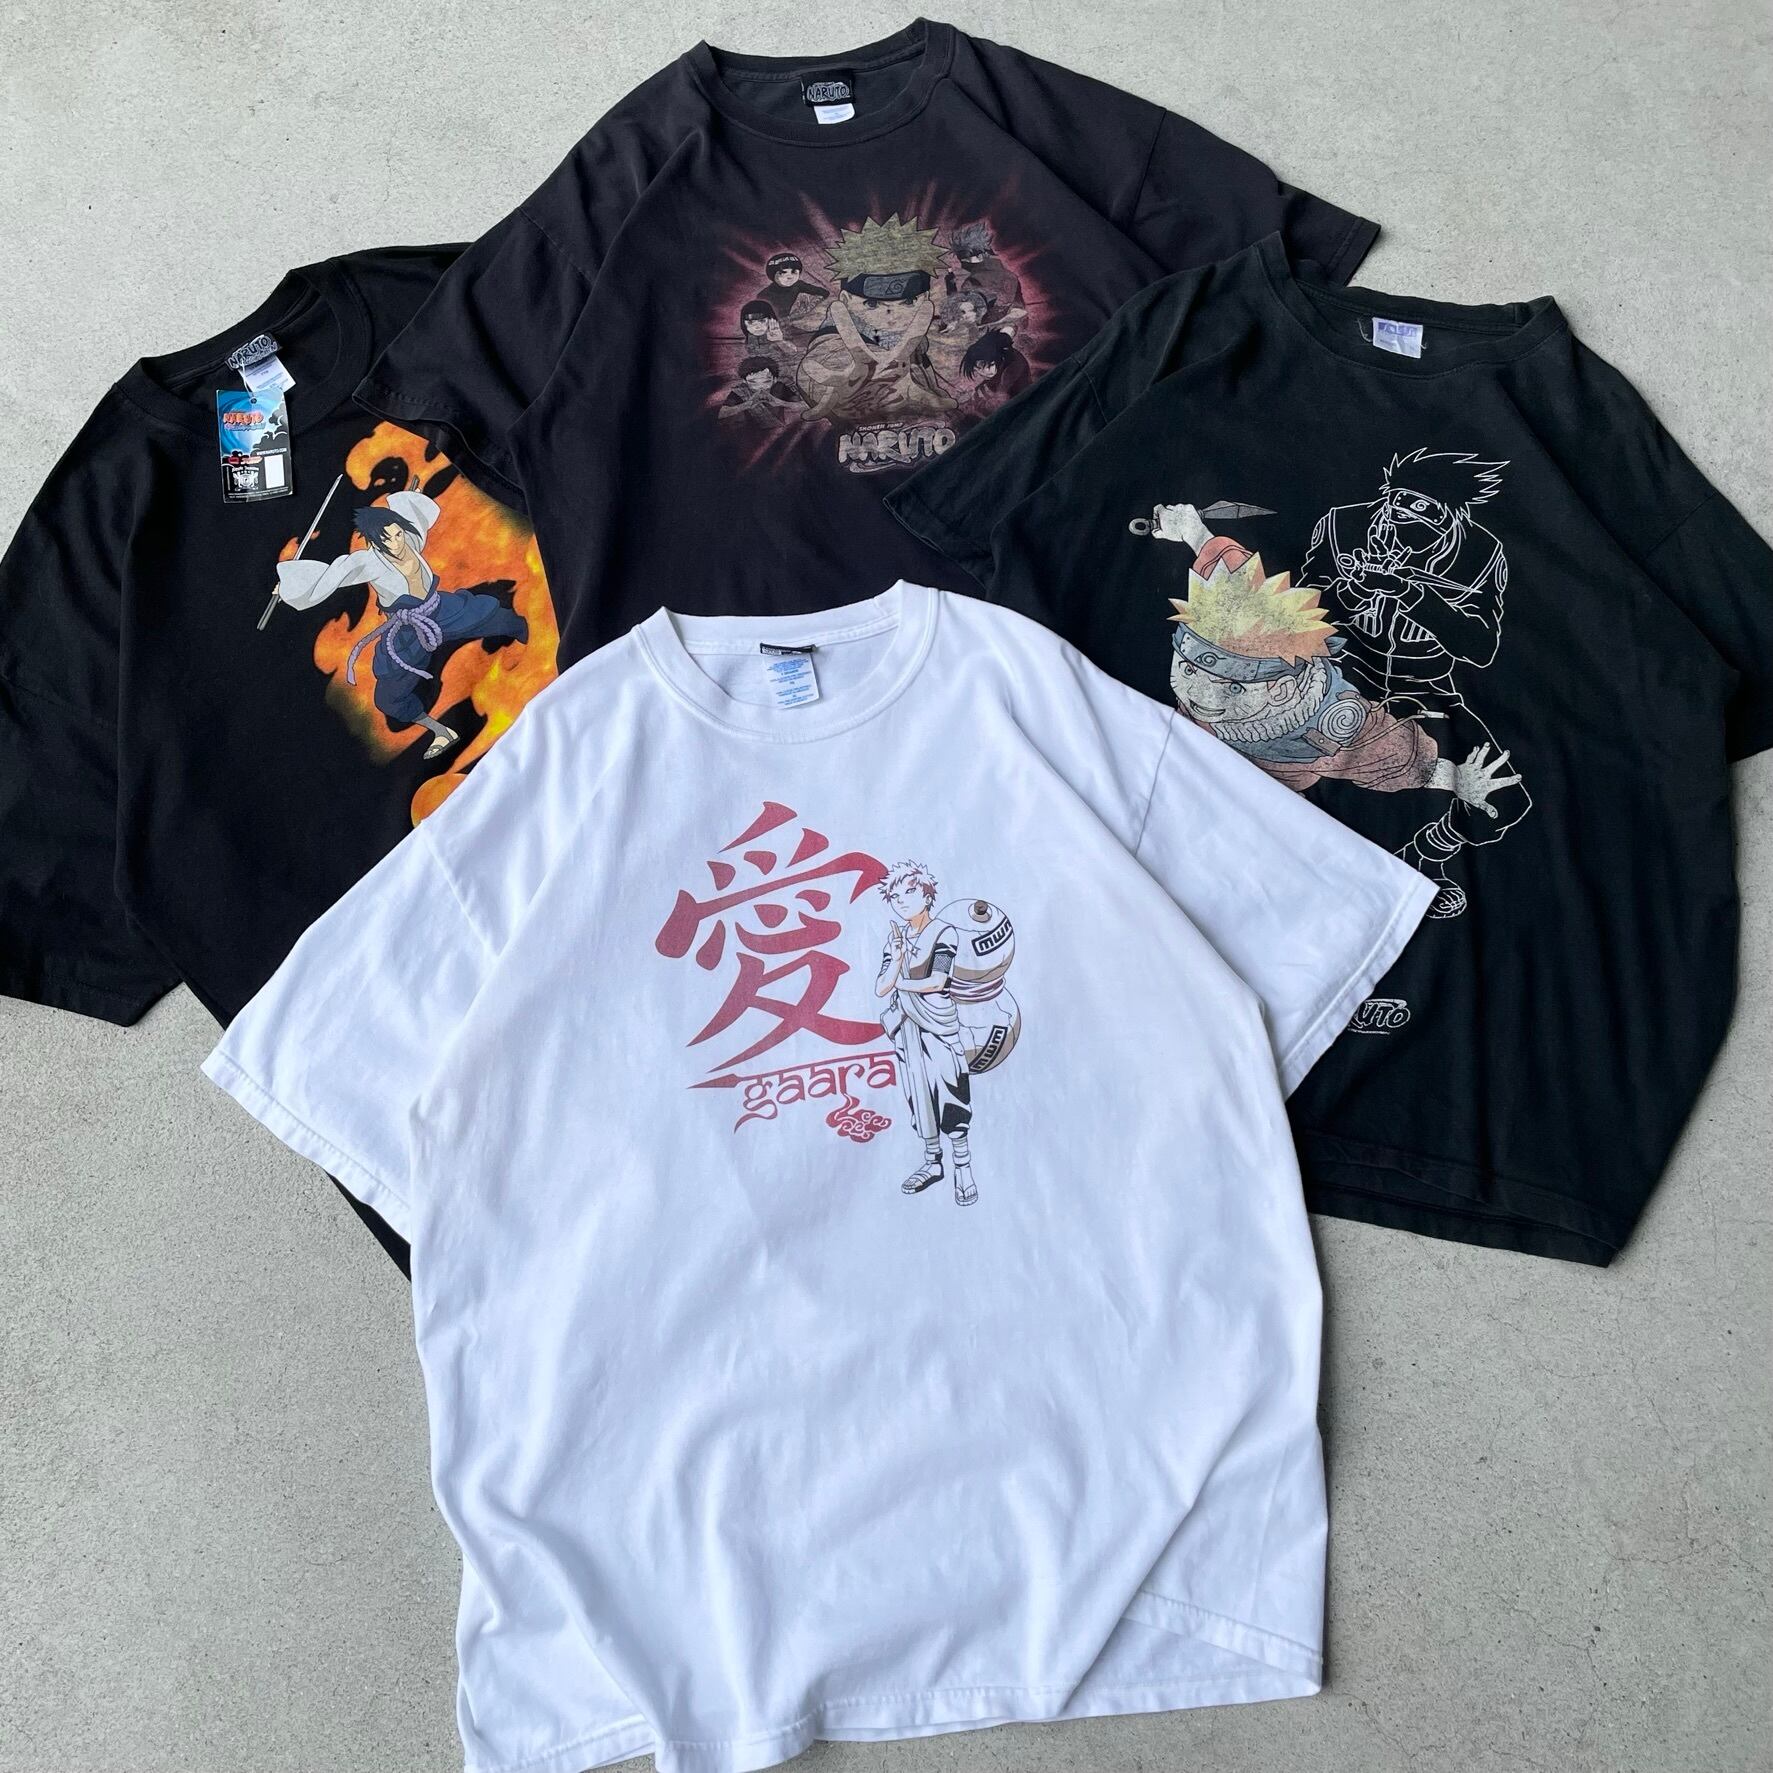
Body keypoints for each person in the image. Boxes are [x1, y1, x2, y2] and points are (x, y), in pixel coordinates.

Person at [1299, 451, 1531, 915]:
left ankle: (1423, 858)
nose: (1395, 521)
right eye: (1394, 504)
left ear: (1448, 517)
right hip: (1342, 677)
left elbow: (1481, 646)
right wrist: (1352, 591)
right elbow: (1301, 613)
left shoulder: (1482, 553)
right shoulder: (1342, 525)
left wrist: (1410, 593)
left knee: (1502, 798)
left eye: (1419, 511)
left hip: (1427, 688)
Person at [269, 491, 528, 759]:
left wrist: (411, 499)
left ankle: (532, 638)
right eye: (387, 539)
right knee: (388, 698)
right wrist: (289, 586)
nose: (397, 543)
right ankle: (441, 731)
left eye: (398, 534)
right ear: (374, 542)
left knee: (498, 618)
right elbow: (333, 575)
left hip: (440, 608)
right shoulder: (368, 562)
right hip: (407, 632)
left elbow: (415, 516)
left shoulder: (411, 538)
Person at [875, 861, 976, 1207]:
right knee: (919, 1095)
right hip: (908, 1029)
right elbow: (880, 987)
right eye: (895, 896)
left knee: (951, 1091)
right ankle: (933, 1162)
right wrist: (897, 957)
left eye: (910, 892)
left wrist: (900, 983)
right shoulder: (895, 940)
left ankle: (963, 1168)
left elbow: (938, 981)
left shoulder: (944, 933)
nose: (902, 900)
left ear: (927, 894)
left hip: (939, 1026)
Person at [958, 328, 1032, 412]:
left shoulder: (1013, 367)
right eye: (977, 369)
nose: (984, 372)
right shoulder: (994, 363)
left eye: (989, 365)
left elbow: (1002, 394)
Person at [719, 356, 807, 426]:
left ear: (774, 380)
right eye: (753, 382)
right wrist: (747, 404)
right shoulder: (740, 390)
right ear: (744, 381)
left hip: (779, 430)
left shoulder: (780, 387)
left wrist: (780, 402)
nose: (760, 386)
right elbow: (721, 413)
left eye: (766, 382)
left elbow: (804, 405)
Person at [753, 251, 829, 327]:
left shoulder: (798, 285)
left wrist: (809, 307)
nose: (789, 277)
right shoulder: (763, 296)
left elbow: (824, 292)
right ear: (773, 275)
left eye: (794, 272)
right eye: (783, 273)